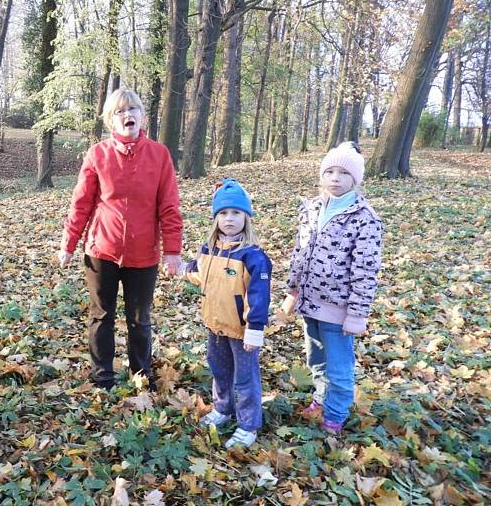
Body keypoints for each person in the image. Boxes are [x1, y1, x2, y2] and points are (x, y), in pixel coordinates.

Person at [58, 88, 183, 390]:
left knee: (140, 319)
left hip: (144, 253)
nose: (127, 116)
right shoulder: (97, 154)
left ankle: (140, 374)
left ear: (143, 116)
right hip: (102, 251)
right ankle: (103, 376)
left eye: (133, 110)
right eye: (119, 112)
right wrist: (68, 243)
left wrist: (173, 251)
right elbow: (82, 203)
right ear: (110, 121)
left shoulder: (159, 155)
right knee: (102, 315)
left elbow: (169, 206)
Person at [286, 141, 383, 434]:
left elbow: (366, 270)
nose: (335, 178)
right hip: (310, 303)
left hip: (339, 310)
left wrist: (356, 314)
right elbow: (299, 253)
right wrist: (292, 291)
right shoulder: (313, 208)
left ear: (355, 179)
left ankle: (335, 415)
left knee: (339, 368)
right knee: (316, 358)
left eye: (343, 173)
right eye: (329, 171)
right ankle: (320, 396)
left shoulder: (364, 219)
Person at [179, 179, 272, 449]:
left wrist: (255, 330)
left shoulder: (253, 256)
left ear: (246, 217)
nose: (229, 219)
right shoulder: (209, 250)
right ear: (215, 218)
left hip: (242, 330)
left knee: (244, 377)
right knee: (219, 369)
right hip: (215, 325)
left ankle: (248, 424)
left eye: (235, 213)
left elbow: (259, 296)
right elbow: (201, 275)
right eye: (223, 213)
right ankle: (223, 408)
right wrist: (182, 269)